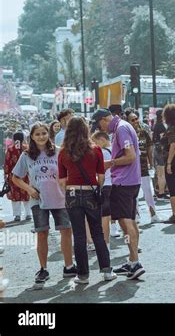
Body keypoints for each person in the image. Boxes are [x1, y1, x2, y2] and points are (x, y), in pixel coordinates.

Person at [12, 123, 76, 285]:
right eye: (37, 134)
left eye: (43, 133)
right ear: (32, 137)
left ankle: (69, 266)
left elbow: (70, 172)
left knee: (66, 231)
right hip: (38, 199)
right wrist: (29, 189)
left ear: (49, 134)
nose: (41, 136)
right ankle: (43, 268)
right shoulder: (26, 155)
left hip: (61, 198)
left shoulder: (60, 151)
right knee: (42, 234)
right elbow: (15, 178)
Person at [58, 117, 116, 284]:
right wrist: (93, 187)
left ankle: (82, 275)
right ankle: (106, 271)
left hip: (72, 194)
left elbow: (62, 181)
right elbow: (101, 177)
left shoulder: (63, 152)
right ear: (86, 130)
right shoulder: (96, 149)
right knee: (97, 232)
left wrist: (69, 191)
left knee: (79, 235)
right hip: (90, 193)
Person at [90, 108, 145, 280]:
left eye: (99, 125)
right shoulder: (123, 126)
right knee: (129, 220)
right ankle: (133, 260)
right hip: (131, 181)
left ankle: (135, 261)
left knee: (125, 221)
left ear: (105, 119)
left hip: (124, 182)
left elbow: (130, 157)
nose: (101, 130)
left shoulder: (121, 129)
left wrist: (110, 163)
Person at [127, 111, 160, 223]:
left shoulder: (143, 132)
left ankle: (153, 215)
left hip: (144, 167)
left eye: (136, 118)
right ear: (127, 122)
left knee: (148, 191)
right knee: (133, 194)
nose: (136, 121)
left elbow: (150, 148)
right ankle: (135, 215)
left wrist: (152, 163)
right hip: (130, 169)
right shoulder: (125, 134)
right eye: (132, 120)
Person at [92, 131, 119, 239]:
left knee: (104, 214)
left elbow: (99, 169)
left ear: (102, 140)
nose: (94, 145)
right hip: (116, 183)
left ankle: (105, 241)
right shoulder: (116, 150)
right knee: (115, 210)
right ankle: (114, 227)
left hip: (105, 184)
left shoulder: (102, 152)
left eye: (95, 142)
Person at [4, 131, 31, 222]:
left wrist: (6, 173)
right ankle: (28, 214)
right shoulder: (27, 148)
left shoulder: (10, 149)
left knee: (15, 196)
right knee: (26, 194)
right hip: (26, 175)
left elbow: (7, 163)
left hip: (14, 175)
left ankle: (17, 215)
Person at [152, 109, 169, 200]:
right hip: (161, 150)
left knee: (159, 173)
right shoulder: (161, 126)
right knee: (162, 174)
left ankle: (158, 191)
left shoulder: (155, 125)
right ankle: (161, 193)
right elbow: (163, 138)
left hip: (156, 149)